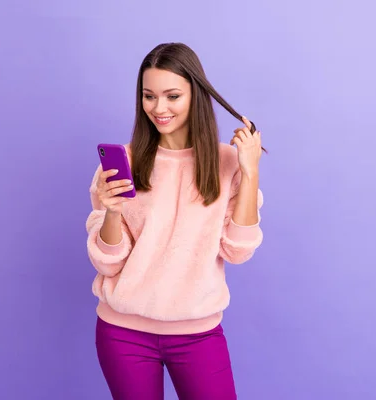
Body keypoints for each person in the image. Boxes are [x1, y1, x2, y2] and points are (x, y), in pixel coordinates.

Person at [85, 42, 265, 400]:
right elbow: (107, 261)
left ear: (195, 94)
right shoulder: (123, 164)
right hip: (124, 334)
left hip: (198, 334)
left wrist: (250, 171)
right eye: (148, 96)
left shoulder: (227, 162)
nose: (159, 108)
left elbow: (238, 250)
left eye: (172, 96)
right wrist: (112, 211)